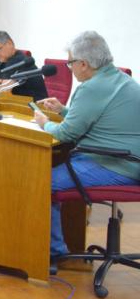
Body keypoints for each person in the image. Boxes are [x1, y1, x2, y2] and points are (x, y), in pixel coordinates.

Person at [32, 32, 140, 261]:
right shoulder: (120, 79)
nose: (70, 68)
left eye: (70, 63)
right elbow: (96, 120)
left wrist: (44, 123)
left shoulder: (92, 87)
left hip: (113, 164)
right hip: (128, 161)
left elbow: (66, 133)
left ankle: (54, 253)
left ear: (83, 64)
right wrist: (63, 111)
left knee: (41, 181)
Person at [0, 30, 48, 101]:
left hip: (35, 105)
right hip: (19, 103)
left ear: (10, 43)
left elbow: (4, 93)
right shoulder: (2, 61)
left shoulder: (18, 60)